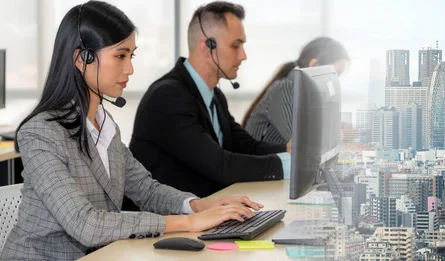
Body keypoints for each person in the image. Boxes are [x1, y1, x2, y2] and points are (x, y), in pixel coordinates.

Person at [1, 2, 262, 260]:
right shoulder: (40, 133)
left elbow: (146, 190)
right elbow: (85, 225)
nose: (130, 69)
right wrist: (186, 223)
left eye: (131, 56)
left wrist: (197, 205)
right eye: (120, 56)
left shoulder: (105, 126)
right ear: (83, 59)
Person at [129, 1, 290, 200]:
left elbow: (248, 147)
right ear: (208, 47)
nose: (243, 55)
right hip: (165, 224)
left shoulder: (214, 95)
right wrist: (291, 164)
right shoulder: (168, 97)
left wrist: (289, 150)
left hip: (203, 214)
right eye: (235, 45)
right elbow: (221, 166)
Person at [242, 37, 349, 144]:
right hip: (262, 159)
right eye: (335, 73)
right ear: (314, 65)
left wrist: (337, 126)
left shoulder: (307, 94)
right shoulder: (285, 88)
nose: (336, 81)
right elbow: (303, 142)